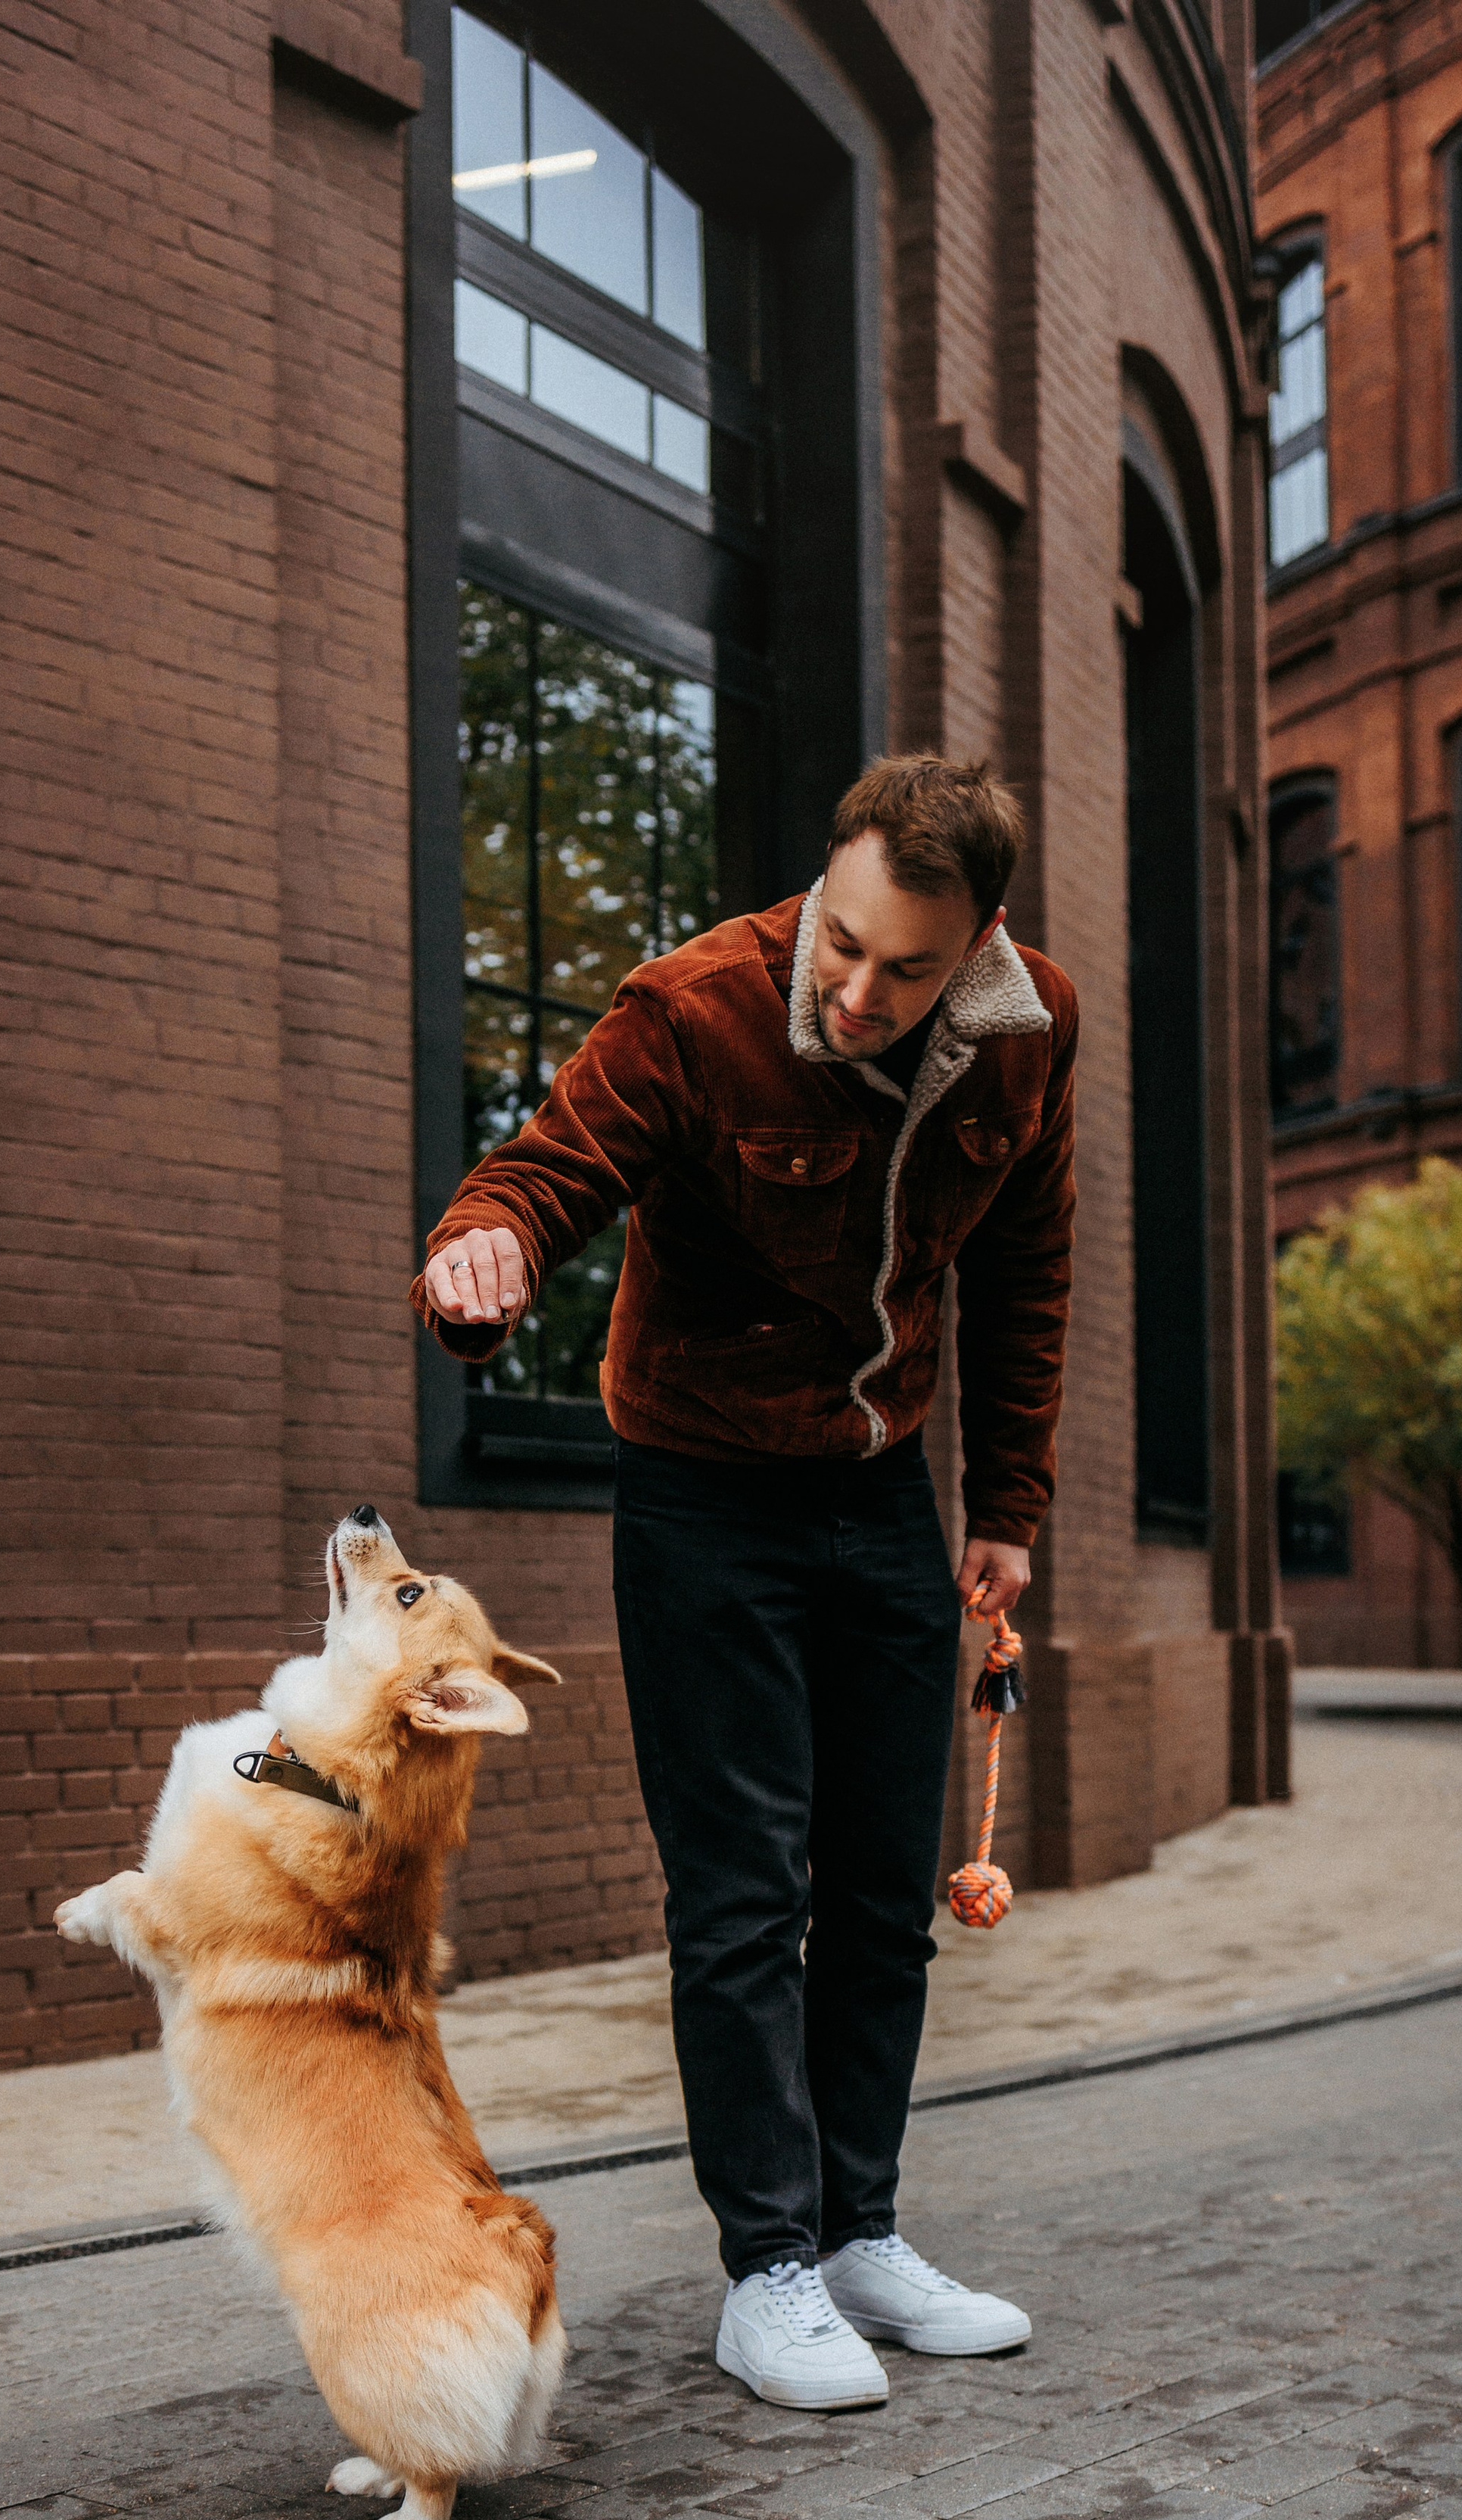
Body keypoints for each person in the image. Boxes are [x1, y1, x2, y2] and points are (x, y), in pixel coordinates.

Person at [413, 753, 1075, 2412]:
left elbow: (1024, 1258)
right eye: (838, 943)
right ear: (823, 886)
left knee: (876, 1898)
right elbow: (543, 1171)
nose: (853, 992)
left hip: (879, 1500)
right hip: (704, 1494)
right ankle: (765, 2271)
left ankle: (859, 2236)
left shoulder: (1028, 1029)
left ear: (977, 945)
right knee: (739, 1899)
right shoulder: (696, 1006)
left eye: (902, 968)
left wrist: (1006, 1497)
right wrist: (479, 1254)